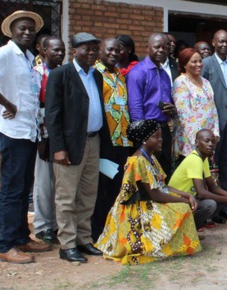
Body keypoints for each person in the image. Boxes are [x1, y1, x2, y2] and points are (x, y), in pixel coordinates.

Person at [0, 10, 51, 264]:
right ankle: (6, 245)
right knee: (11, 191)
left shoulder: (28, 58)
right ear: (12, 31)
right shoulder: (4, 53)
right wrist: (7, 103)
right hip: (12, 131)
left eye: (31, 29)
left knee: (22, 188)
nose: (27, 32)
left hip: (27, 131)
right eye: (22, 28)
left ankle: (21, 238)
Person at [96, 120, 201, 265]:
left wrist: (187, 195)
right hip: (138, 209)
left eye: (161, 136)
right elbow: (155, 195)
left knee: (184, 205)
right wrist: (183, 201)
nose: (160, 140)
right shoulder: (138, 160)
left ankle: (175, 243)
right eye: (156, 137)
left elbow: (163, 186)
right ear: (144, 139)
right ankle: (168, 244)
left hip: (150, 201)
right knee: (182, 208)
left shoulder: (149, 157)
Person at [46, 32, 105, 263]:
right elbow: (52, 115)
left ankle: (84, 239)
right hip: (69, 146)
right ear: (74, 51)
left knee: (88, 195)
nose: (91, 53)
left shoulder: (96, 76)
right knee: (66, 197)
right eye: (86, 49)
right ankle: (67, 244)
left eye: (94, 49)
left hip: (93, 141)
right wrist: (58, 148)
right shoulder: (61, 75)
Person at [91, 38, 134, 242]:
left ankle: (113, 228)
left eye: (118, 50)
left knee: (117, 186)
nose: (114, 54)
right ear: (100, 50)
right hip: (105, 140)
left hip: (122, 140)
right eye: (110, 50)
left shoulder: (120, 75)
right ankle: (97, 231)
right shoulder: (94, 74)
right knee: (103, 187)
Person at [202, 29, 227, 223]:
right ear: (213, 43)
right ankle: (210, 211)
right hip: (214, 121)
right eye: (221, 41)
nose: (224, 44)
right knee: (211, 166)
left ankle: (225, 207)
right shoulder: (206, 63)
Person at [168, 129, 227, 230]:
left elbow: (213, 187)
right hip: (178, 201)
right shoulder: (195, 160)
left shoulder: (204, 159)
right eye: (206, 141)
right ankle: (188, 230)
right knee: (210, 205)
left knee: (220, 200)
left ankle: (195, 227)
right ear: (197, 142)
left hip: (190, 199)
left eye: (213, 141)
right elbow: (202, 193)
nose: (210, 144)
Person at [127, 33, 176, 176]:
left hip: (163, 128)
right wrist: (143, 135)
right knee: (147, 174)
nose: (161, 50)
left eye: (165, 47)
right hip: (147, 130)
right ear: (147, 48)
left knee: (164, 170)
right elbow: (135, 106)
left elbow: (167, 99)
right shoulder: (138, 72)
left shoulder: (164, 74)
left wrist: (172, 108)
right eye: (157, 47)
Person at [32, 35, 65, 245]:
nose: (59, 53)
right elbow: (35, 107)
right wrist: (41, 139)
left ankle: (55, 224)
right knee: (44, 184)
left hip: (62, 135)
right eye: (55, 50)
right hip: (44, 135)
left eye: (62, 50)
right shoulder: (37, 74)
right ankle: (42, 226)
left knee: (59, 184)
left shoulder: (64, 73)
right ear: (44, 51)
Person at [173, 48, 220, 162]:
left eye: (200, 61)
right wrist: (199, 140)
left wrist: (215, 133)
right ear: (184, 64)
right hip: (191, 140)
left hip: (207, 139)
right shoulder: (181, 82)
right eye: (194, 62)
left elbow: (213, 109)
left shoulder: (206, 82)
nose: (198, 64)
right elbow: (185, 114)